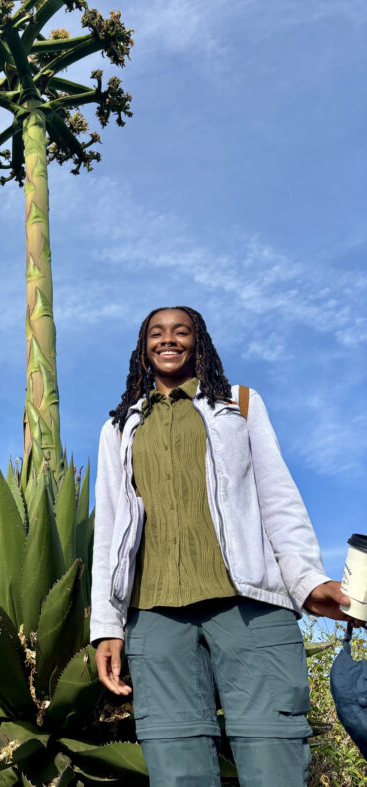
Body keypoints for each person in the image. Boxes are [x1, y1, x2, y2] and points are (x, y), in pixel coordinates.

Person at [90, 306, 356, 786]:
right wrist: (107, 625)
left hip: (250, 607)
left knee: (274, 759)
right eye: (157, 333)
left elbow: (278, 499)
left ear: (199, 343)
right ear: (143, 347)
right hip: (154, 616)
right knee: (176, 769)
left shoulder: (239, 405)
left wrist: (307, 580)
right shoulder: (120, 427)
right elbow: (109, 528)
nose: (168, 340)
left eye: (181, 331)